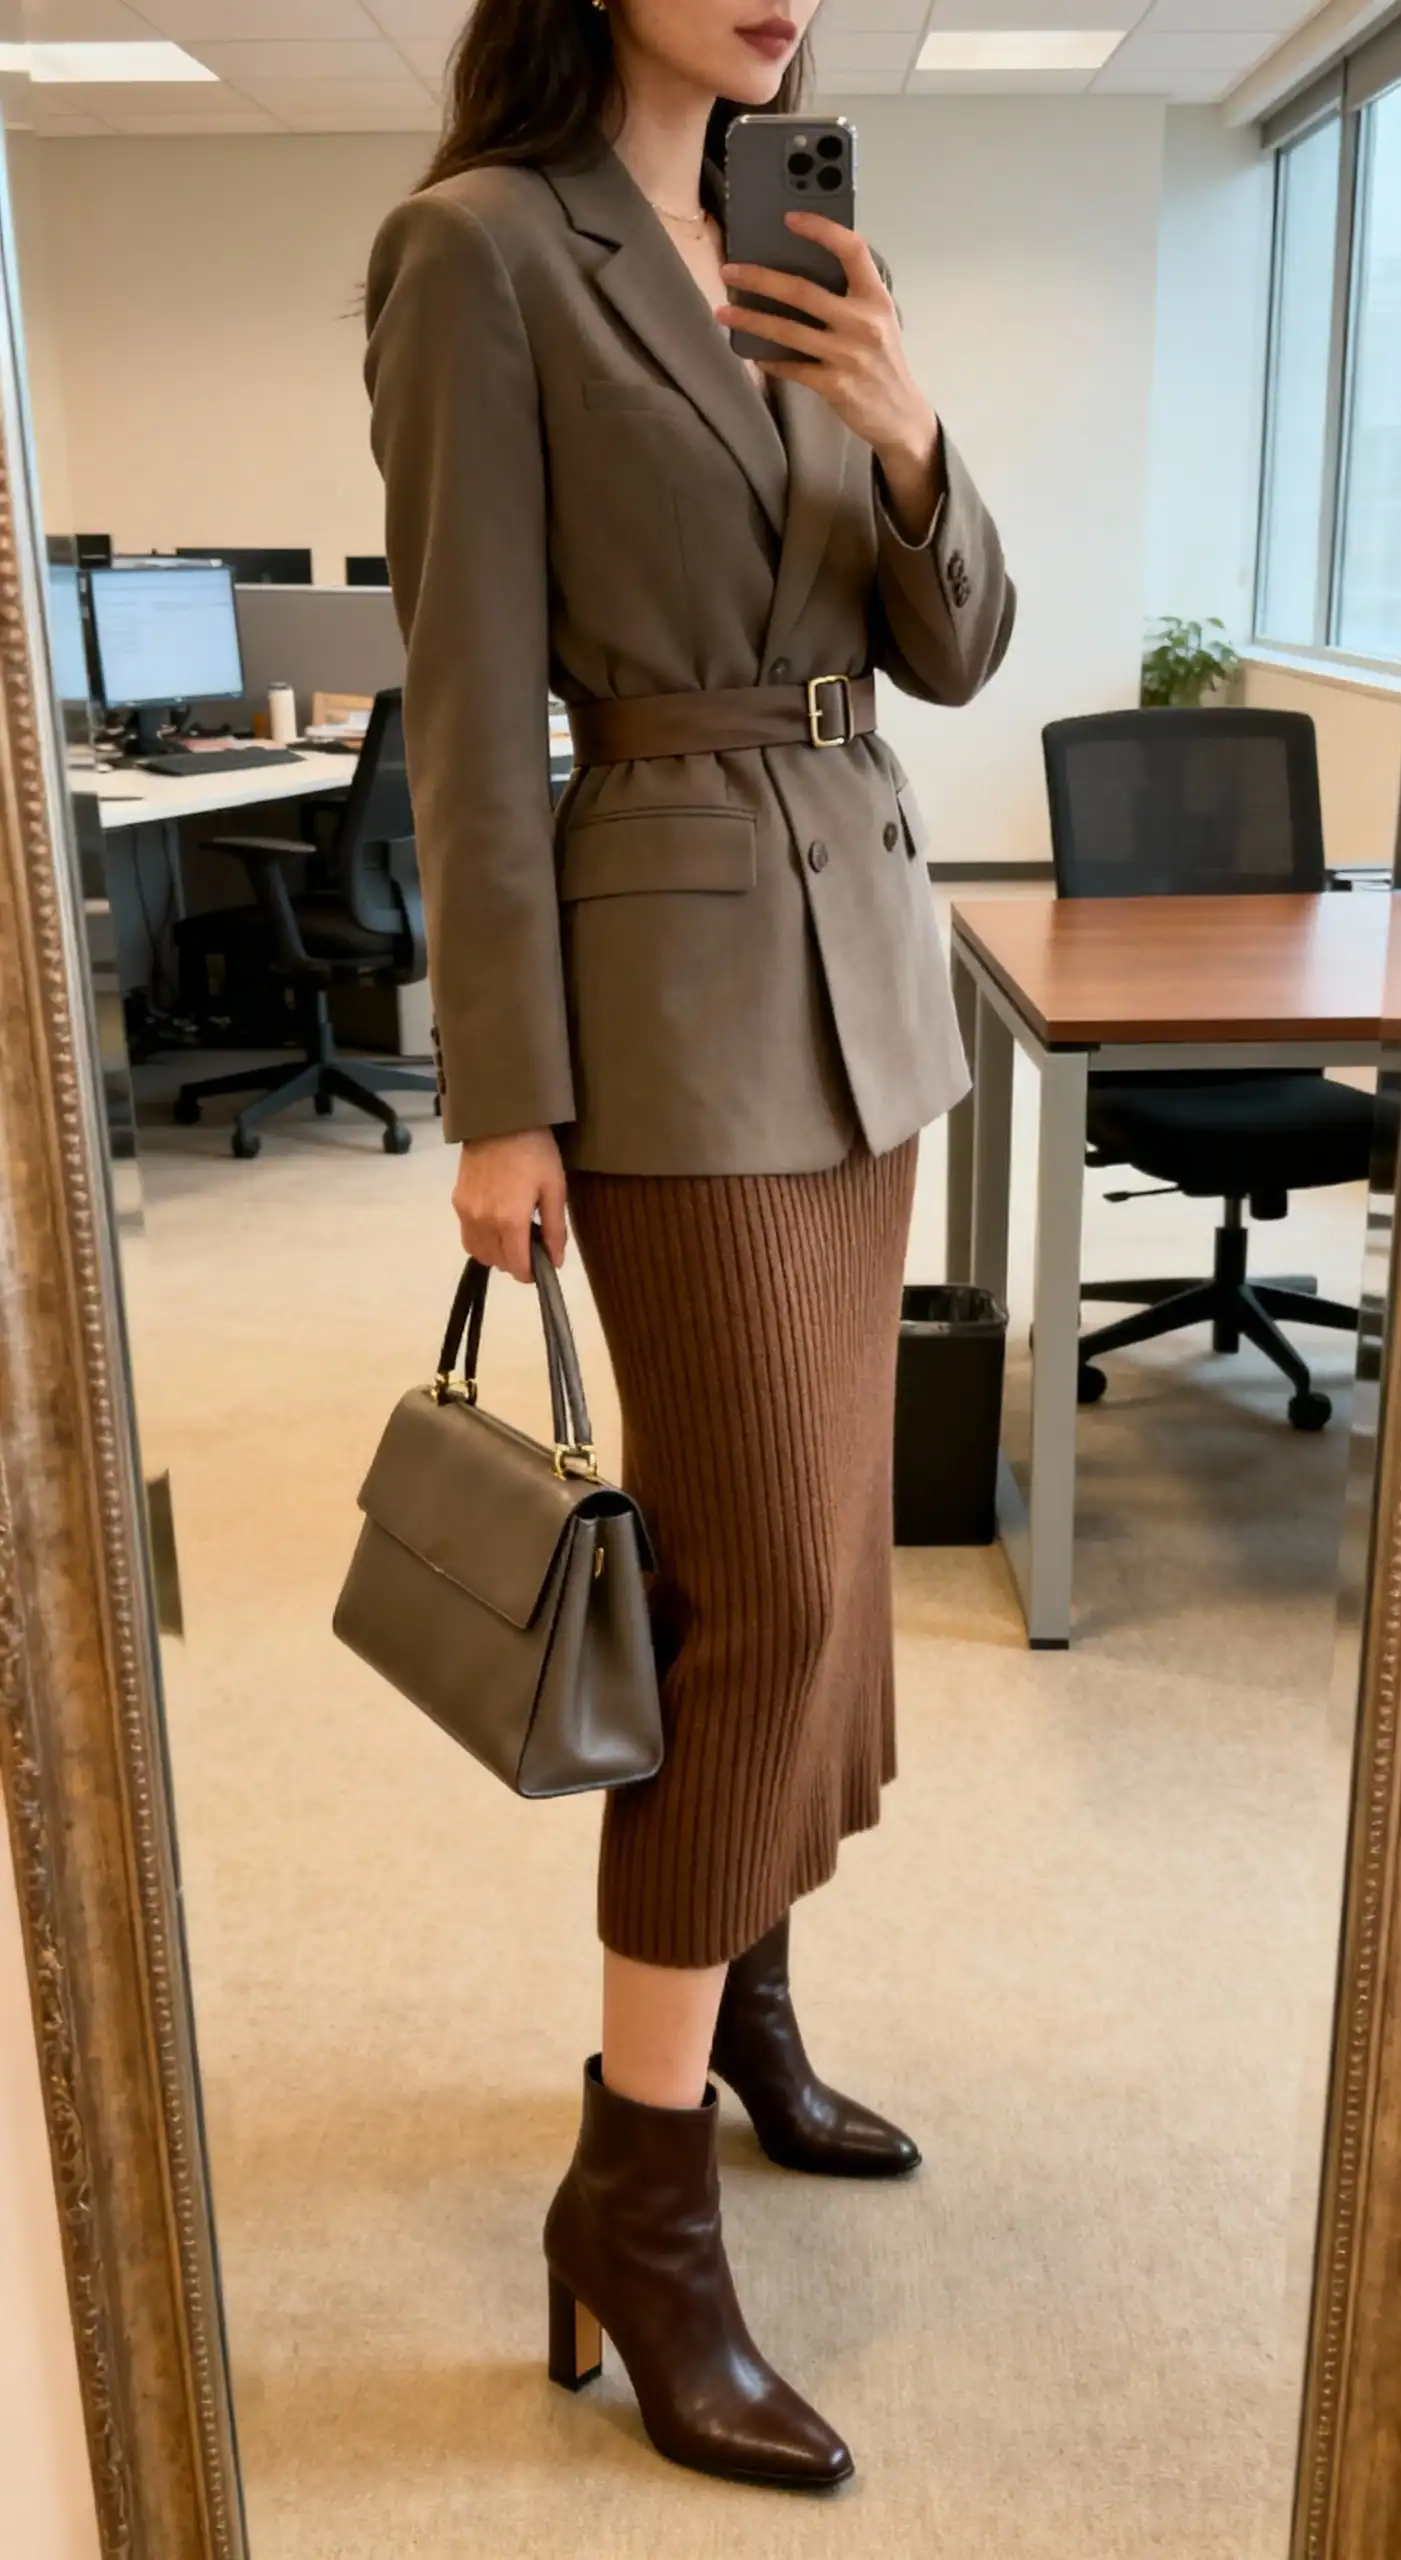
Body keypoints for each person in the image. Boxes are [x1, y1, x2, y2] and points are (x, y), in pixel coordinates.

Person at [365, 0, 1013, 2491]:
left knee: (828, 1555)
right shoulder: (477, 257)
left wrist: (908, 414)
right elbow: (460, 706)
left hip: (875, 971)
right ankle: (635, 2199)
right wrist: (500, 1091)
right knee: (748, 1586)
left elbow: (952, 639)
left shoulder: (807, 238)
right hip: (670, 991)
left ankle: (741, 1998)